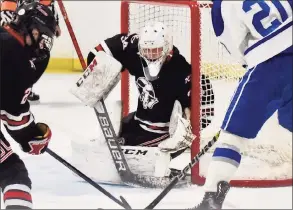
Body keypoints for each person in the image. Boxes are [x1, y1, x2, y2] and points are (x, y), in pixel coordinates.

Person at [192, 1, 292, 209]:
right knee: (289, 120)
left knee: (233, 135)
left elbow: (233, 45)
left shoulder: (223, 5)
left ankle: (211, 198)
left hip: (269, 62)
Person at [86, 22, 215, 177]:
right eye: (146, 51)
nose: (151, 55)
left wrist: (186, 130)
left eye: (156, 50)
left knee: (120, 149)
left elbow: (205, 112)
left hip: (163, 132)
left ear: (167, 47)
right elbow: (100, 51)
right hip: (138, 121)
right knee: (106, 142)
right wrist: (96, 71)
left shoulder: (181, 71)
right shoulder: (134, 50)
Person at [0, 2, 56, 208]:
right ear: (31, 28)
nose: (43, 43)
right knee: (12, 171)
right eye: (43, 35)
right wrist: (31, 138)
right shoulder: (19, 61)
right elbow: (14, 119)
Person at [0, 0, 61, 103]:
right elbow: (7, 10)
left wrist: (54, 23)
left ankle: (22, 87)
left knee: (39, 54)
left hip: (33, 25)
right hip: (20, 25)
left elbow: (48, 6)